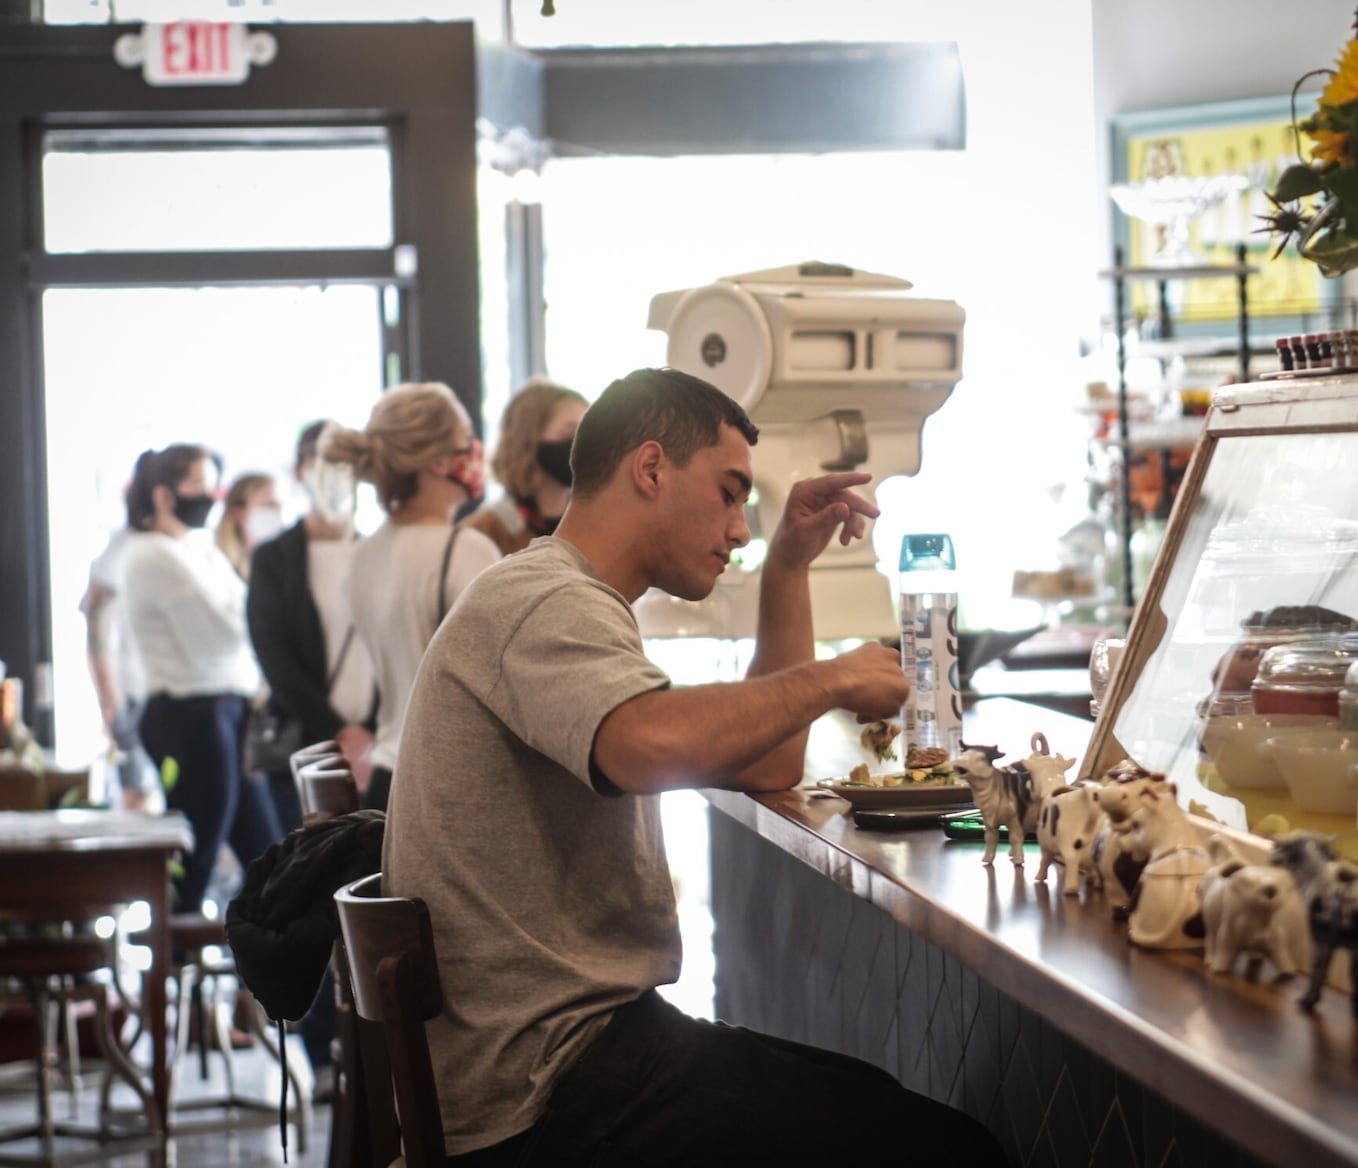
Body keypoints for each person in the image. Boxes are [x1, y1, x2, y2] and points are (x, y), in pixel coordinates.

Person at [383, 367, 1005, 1165]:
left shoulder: (571, 600)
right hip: (545, 1097)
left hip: (582, 1056)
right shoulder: (544, 599)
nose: (739, 527)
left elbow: (769, 763)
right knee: (950, 1150)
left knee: (886, 1105)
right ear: (650, 469)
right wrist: (834, 675)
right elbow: (646, 745)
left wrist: (787, 568)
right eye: (729, 491)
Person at [320, 382, 501, 811]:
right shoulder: (466, 550)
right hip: (453, 781)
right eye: (466, 439)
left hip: (388, 776)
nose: (476, 451)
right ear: (438, 462)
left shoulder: (362, 554)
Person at [121, 444, 282, 915]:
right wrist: (250, 617)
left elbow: (247, 620)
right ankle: (174, 973)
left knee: (268, 855)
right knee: (198, 855)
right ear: (164, 494)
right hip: (190, 716)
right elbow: (227, 631)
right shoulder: (152, 554)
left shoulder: (198, 548)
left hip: (228, 712)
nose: (209, 496)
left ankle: (265, 977)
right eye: (198, 485)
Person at [245, 421, 378, 838]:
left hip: (380, 747)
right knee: (309, 872)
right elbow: (273, 654)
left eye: (345, 465)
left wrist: (370, 732)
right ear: (301, 471)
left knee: (376, 874)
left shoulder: (378, 551)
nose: (333, 476)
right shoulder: (275, 558)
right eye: (320, 463)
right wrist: (340, 731)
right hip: (304, 741)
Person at [80, 505, 162, 813]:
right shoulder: (124, 547)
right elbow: (96, 619)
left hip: (165, 692)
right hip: (132, 696)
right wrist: (110, 702)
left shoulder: (180, 546)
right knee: (141, 796)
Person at [461, 377, 589, 556]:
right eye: (569, 432)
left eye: (587, 431)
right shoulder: (484, 531)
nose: (584, 443)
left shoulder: (593, 523)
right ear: (528, 440)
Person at [214, 472, 282, 580]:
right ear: (239, 514)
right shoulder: (216, 567)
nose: (280, 514)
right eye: (270, 506)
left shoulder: (282, 565)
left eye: (281, 507)